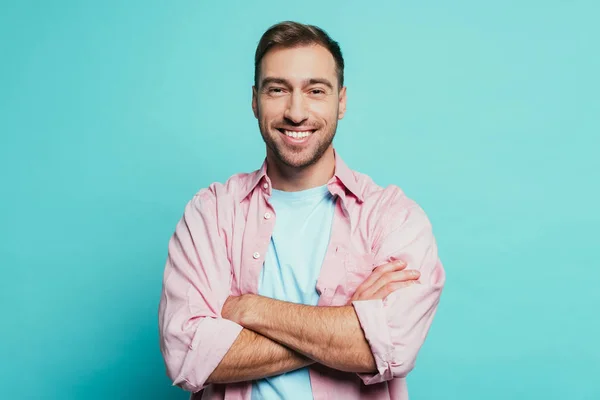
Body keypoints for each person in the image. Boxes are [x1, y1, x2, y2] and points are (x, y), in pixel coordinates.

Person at [158, 21, 446, 400]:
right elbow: (186, 356)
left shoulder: (393, 218)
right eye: (277, 89)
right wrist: (345, 324)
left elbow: (393, 346)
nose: (296, 112)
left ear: (340, 101)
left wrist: (250, 309)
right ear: (254, 100)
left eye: (315, 90)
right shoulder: (210, 214)